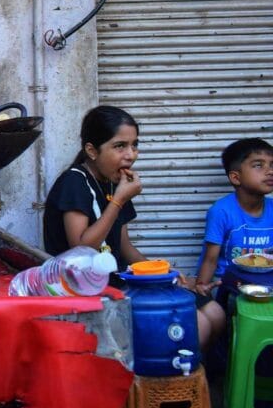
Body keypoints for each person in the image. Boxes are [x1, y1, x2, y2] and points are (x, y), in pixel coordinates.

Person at [43, 105, 224, 347]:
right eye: (120, 146)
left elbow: (125, 247)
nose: (131, 155)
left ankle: (184, 378)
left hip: (119, 279)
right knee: (197, 323)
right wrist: (118, 200)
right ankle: (154, 381)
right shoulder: (74, 182)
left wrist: (162, 275)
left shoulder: (112, 181)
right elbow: (81, 248)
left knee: (215, 313)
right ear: (91, 150)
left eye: (134, 145)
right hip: (86, 287)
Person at [194, 138, 273, 297]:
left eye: (272, 165)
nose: (270, 171)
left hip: (267, 282)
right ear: (236, 177)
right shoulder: (221, 211)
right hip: (229, 283)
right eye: (258, 165)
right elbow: (210, 259)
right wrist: (201, 289)